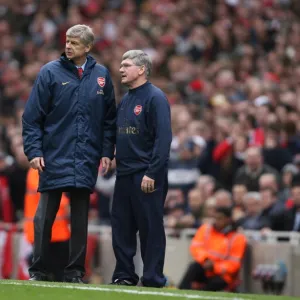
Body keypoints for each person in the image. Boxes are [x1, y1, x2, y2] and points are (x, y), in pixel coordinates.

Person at [22, 24, 116, 283]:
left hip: (86, 156)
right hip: (54, 155)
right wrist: (34, 151)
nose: (68, 46)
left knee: (80, 218)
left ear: (88, 47)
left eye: (74, 43)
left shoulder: (101, 76)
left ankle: (75, 272)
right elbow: (32, 118)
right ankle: (38, 270)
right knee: (44, 217)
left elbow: (109, 119)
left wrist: (107, 151)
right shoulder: (49, 73)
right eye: (67, 41)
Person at [111, 50, 172, 287]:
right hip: (124, 174)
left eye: (126, 65)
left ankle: (153, 278)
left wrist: (152, 173)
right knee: (122, 228)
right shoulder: (126, 99)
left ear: (142, 69)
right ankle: (124, 275)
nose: (121, 69)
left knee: (150, 228)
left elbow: (163, 139)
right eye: (121, 64)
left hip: (146, 174)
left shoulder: (155, 97)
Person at [179, 206, 247, 291]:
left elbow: (234, 264)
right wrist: (205, 259)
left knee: (218, 282)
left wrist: (214, 267)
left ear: (228, 220)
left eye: (220, 218)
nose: (216, 221)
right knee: (194, 267)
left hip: (222, 275)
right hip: (205, 267)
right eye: (215, 218)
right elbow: (196, 247)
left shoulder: (238, 238)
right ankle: (181, 291)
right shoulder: (206, 229)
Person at [24, 168, 70, 282]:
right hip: (46, 231)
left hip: (58, 231)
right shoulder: (35, 171)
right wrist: (65, 203)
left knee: (58, 268)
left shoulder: (52, 169)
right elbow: (42, 190)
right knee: (51, 267)